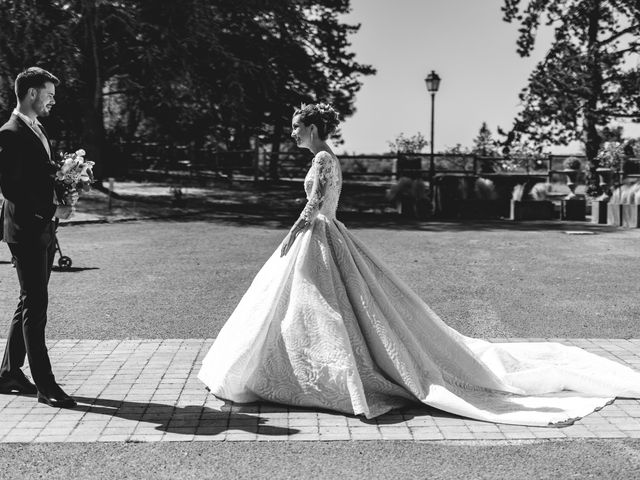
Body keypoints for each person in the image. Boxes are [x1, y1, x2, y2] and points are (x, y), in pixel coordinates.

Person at [198, 103, 640, 426]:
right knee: (319, 308)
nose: (292, 134)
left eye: (296, 127)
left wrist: (293, 233)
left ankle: (332, 377)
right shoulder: (328, 157)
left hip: (318, 234)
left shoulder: (320, 158)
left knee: (325, 308)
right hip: (327, 235)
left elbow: (315, 205)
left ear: (312, 127)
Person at [0, 67, 77, 408]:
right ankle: (46, 386)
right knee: (36, 306)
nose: (52, 100)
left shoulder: (37, 127)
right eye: (49, 94)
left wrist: (64, 185)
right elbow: (11, 187)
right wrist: (50, 210)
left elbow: (38, 174)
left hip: (42, 227)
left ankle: (8, 373)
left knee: (29, 300)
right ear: (31, 93)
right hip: (26, 228)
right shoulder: (10, 133)